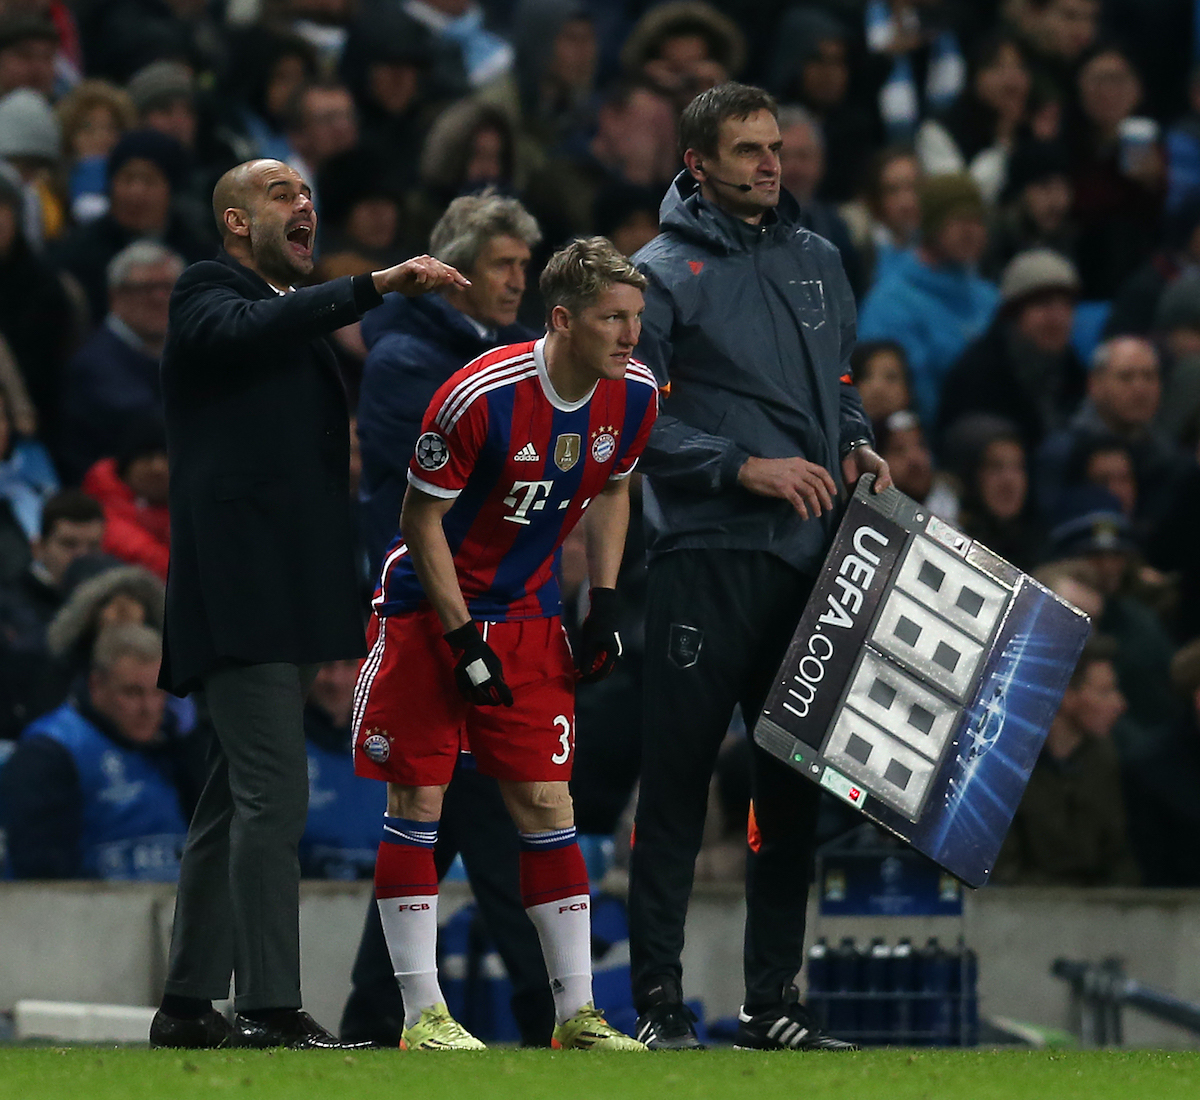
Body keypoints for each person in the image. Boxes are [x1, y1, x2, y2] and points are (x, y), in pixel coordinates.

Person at [147, 157, 470, 1052]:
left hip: (278, 595)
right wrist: (374, 283)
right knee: (275, 792)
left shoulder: (281, 321)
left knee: (233, 799)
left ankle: (185, 1005)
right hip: (238, 592)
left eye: (308, 195)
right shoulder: (206, 292)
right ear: (236, 223)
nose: (307, 205)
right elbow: (250, 329)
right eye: (283, 194)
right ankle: (268, 1005)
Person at [626, 82, 888, 1052]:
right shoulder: (657, 275)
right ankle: (657, 1003)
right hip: (708, 554)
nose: (769, 162)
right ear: (698, 161)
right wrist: (743, 467)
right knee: (680, 783)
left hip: (811, 561)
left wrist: (855, 440)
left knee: (790, 792)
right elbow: (632, 419)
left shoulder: (820, 259)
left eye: (774, 145)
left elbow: (839, 384)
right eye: (746, 149)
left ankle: (775, 1002)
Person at [350, 236, 656, 1052]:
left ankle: (578, 1018)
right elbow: (419, 523)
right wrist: (460, 639)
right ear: (561, 319)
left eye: (636, 318)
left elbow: (617, 485)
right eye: (611, 319)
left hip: (528, 618)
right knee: (418, 799)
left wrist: (605, 601)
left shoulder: (634, 395)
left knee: (548, 805)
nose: (629, 336)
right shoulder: (477, 397)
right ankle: (421, 1017)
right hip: (430, 611)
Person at [344, 188, 555, 1048]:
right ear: (458, 271)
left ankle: (372, 1019)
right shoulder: (405, 361)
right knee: (485, 828)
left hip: (496, 618)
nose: (520, 281)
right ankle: (557, 1019)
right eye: (504, 265)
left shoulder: (509, 358)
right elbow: (431, 501)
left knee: (448, 830)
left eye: (524, 266)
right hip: (433, 620)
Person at [0, 622, 203, 880]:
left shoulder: (174, 747)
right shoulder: (49, 752)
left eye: (158, 692)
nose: (149, 708)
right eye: (132, 692)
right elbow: (42, 874)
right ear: (97, 685)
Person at [992, 635, 1140, 886]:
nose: (1120, 704)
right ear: (1065, 696)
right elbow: (1005, 871)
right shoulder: (1008, 766)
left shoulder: (1107, 761)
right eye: (1105, 692)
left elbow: (1120, 859)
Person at [58, 241, 183, 484]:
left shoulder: (187, 350)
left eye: (168, 287)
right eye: (145, 288)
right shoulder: (95, 363)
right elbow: (147, 422)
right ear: (115, 296)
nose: (159, 298)